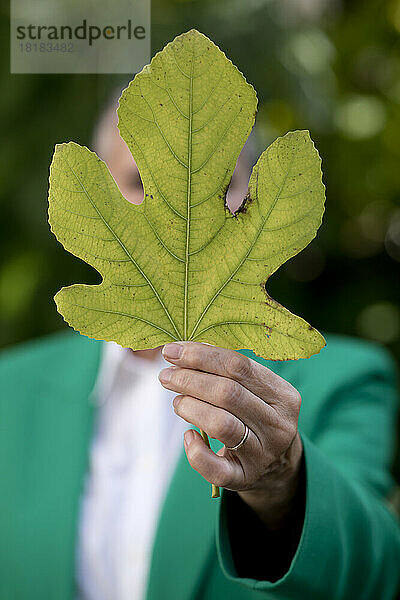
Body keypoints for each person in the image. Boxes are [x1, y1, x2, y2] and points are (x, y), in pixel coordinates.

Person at [1, 98, 399, 600]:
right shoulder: (7, 394)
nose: (175, 214)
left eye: (219, 185)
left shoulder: (344, 379)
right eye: (139, 183)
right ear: (93, 199)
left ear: (258, 203)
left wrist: (282, 484)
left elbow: (375, 572)